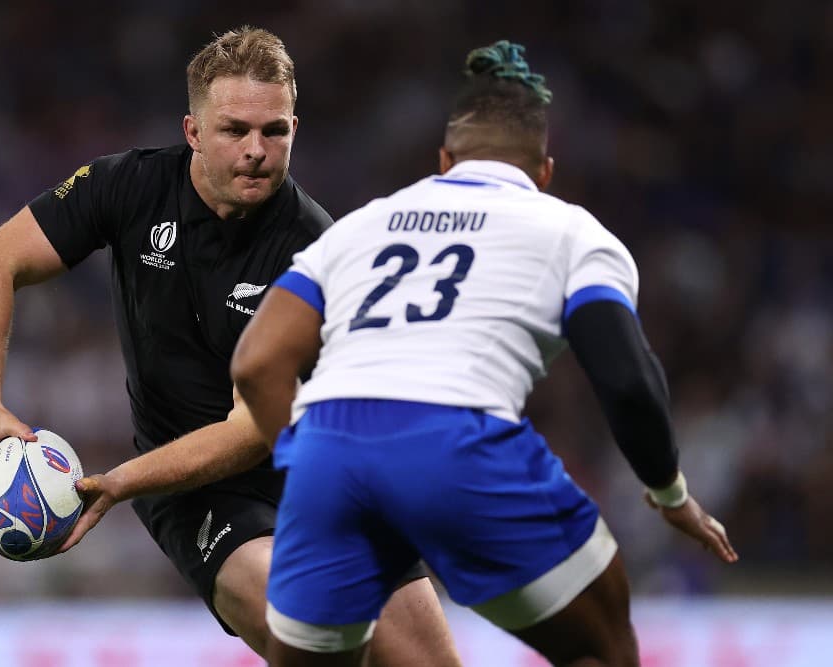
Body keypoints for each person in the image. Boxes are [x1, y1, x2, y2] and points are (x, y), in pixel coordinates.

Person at [0, 26, 460, 665]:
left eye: (273, 131)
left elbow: (254, 429)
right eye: (234, 130)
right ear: (193, 132)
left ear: (294, 130)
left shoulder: (317, 252)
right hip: (199, 492)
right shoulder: (127, 187)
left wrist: (118, 482)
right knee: (306, 628)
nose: (256, 149)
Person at [231, 39, 739, 667]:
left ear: (444, 161)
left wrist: (304, 456)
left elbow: (255, 363)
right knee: (601, 648)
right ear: (544, 171)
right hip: (458, 439)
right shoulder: (572, 231)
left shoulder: (362, 226)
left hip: (328, 453)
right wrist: (669, 492)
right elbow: (629, 381)